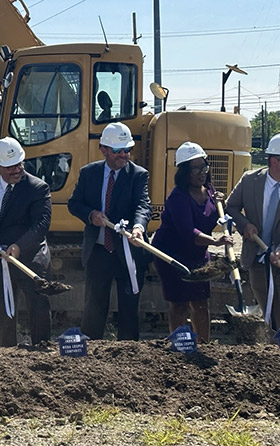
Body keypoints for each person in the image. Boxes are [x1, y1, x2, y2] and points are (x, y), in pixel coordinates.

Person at [67, 122, 151, 341]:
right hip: (99, 251)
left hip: (128, 252)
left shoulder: (138, 175)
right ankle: (90, 351)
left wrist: (139, 227)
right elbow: (74, 204)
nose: (124, 155)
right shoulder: (89, 173)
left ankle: (129, 353)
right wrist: (91, 215)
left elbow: (143, 205)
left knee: (129, 308)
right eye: (117, 150)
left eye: (127, 150)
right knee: (94, 305)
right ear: (103, 149)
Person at [0, 137, 52, 346]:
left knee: (38, 308)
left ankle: (41, 349)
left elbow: (41, 224)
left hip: (30, 257)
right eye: (10, 167)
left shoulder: (37, 188)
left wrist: (19, 247)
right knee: (3, 310)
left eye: (19, 165)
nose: (16, 171)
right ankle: (7, 354)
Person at [151, 142, 232, 342]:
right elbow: (189, 232)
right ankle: (181, 346)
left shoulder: (211, 193)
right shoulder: (177, 198)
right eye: (195, 169)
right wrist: (215, 241)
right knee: (179, 304)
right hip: (172, 255)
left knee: (201, 303)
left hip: (197, 254)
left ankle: (203, 345)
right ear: (184, 171)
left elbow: (216, 217)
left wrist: (223, 204)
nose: (201, 173)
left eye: (204, 167)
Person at [227, 132, 280, 327]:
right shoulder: (250, 181)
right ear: (275, 161)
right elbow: (230, 207)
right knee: (268, 307)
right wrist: (245, 224)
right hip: (257, 257)